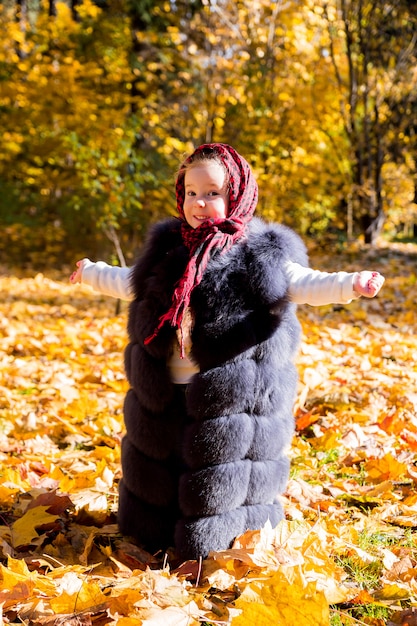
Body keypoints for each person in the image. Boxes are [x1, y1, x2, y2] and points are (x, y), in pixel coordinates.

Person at [70, 143, 384, 561]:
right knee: (165, 458)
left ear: (237, 194)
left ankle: (222, 539)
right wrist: (91, 272)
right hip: (168, 385)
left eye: (213, 192)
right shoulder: (170, 251)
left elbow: (305, 283)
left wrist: (351, 283)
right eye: (191, 192)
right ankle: (154, 530)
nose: (200, 202)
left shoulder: (257, 255)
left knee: (220, 465)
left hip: (233, 395)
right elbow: (129, 281)